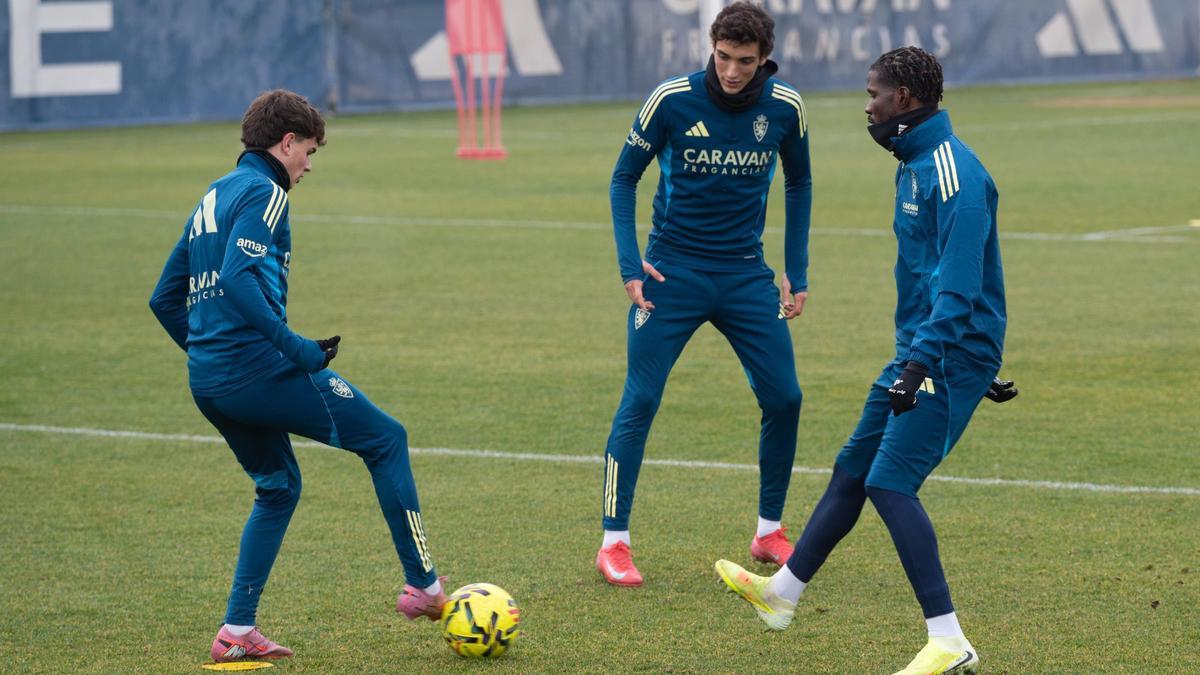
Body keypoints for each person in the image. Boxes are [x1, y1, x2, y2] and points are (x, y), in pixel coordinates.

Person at [715, 47, 1017, 675]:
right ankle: (781, 595)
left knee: (889, 481)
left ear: (905, 99)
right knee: (854, 467)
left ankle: (949, 639)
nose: (867, 105)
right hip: (929, 347)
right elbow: (941, 285)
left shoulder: (954, 176)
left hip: (946, 351)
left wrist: (939, 365)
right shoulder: (912, 165)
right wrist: (923, 356)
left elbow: (960, 291)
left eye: (874, 93)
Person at [149, 90, 447, 663]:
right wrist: (299, 351)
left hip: (210, 383)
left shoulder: (214, 194)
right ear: (286, 143)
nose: (309, 164)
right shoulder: (267, 192)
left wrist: (208, 356)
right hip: (258, 371)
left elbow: (165, 299)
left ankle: (237, 631)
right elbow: (237, 278)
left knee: (279, 488)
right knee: (387, 439)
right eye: (309, 151)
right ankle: (425, 588)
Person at [598, 1, 813, 587]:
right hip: (671, 274)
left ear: (765, 58)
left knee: (786, 398)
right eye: (722, 57)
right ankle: (613, 541)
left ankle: (769, 532)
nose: (732, 71)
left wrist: (797, 269)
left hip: (747, 276)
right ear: (711, 47)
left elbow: (799, 180)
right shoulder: (671, 99)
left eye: (745, 61)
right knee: (640, 400)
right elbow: (623, 178)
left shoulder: (786, 107)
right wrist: (629, 264)